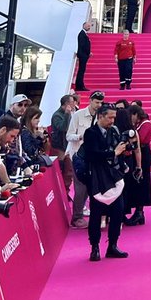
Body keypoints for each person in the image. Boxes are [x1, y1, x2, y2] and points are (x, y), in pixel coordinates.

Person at [83, 102, 129, 261]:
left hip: (115, 177)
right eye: (110, 117)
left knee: (118, 213)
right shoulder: (90, 133)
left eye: (114, 118)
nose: (112, 121)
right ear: (100, 116)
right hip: (97, 179)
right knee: (96, 214)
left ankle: (113, 245)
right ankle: (94, 247)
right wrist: (112, 153)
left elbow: (119, 153)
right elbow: (92, 156)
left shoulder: (115, 131)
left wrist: (122, 163)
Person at [66, 91, 105, 227]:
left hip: (93, 157)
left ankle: (81, 213)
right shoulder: (78, 115)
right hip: (79, 157)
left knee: (90, 187)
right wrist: (81, 136)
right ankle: (76, 218)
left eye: (101, 102)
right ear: (90, 100)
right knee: (80, 188)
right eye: (96, 102)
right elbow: (69, 136)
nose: (99, 105)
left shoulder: (101, 117)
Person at [124, 102, 151, 226]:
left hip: (144, 153)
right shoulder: (139, 124)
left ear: (136, 114)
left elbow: (139, 139)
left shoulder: (145, 124)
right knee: (137, 182)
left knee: (142, 181)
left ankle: (140, 211)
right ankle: (139, 212)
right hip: (139, 152)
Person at [50, 93, 78, 189]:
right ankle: (60, 187)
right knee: (62, 168)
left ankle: (66, 188)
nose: (75, 104)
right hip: (59, 146)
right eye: (72, 102)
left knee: (69, 170)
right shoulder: (57, 116)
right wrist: (67, 114)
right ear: (67, 104)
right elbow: (63, 128)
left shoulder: (72, 113)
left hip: (67, 144)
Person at [74, 20, 92, 92]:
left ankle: (80, 85)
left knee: (82, 70)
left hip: (84, 54)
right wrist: (88, 53)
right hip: (83, 55)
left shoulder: (84, 34)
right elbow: (82, 45)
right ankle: (80, 86)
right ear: (84, 26)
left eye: (89, 26)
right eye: (88, 26)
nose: (89, 27)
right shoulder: (82, 34)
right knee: (81, 70)